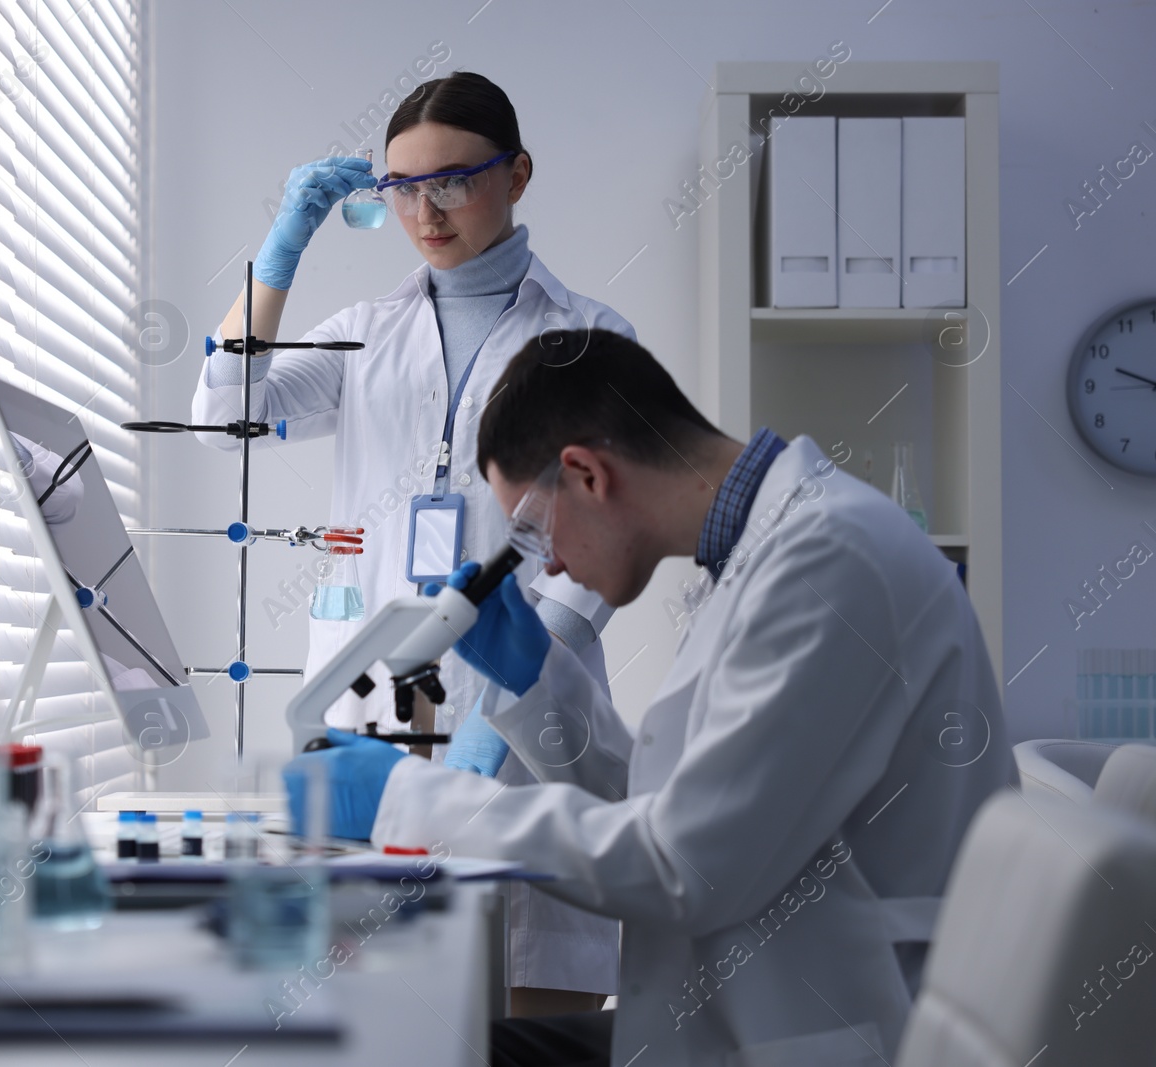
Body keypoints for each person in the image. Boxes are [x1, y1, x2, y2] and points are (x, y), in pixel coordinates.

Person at [283, 329, 1018, 1066]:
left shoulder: (828, 562)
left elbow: (684, 866)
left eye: (533, 531)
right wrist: (540, 684)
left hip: (815, 1033)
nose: (552, 563)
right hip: (732, 1008)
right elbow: (676, 805)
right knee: (421, 1045)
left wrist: (404, 797)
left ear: (588, 473)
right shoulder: (765, 552)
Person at [193, 72, 633, 1015]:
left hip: (527, 726)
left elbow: (598, 549)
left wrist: (503, 716)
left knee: (531, 1012)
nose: (424, 212)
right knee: (374, 1014)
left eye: (451, 182)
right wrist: (283, 250)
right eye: (399, 189)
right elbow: (222, 410)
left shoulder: (591, 337)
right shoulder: (366, 334)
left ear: (517, 175)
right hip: (371, 720)